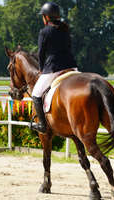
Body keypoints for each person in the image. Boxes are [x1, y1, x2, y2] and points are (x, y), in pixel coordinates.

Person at [31, 1, 78, 133]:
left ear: (46, 16)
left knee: (36, 94)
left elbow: (41, 53)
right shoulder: (65, 29)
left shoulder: (45, 31)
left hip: (53, 68)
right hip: (72, 66)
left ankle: (42, 125)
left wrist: (41, 69)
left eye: (42, 16)